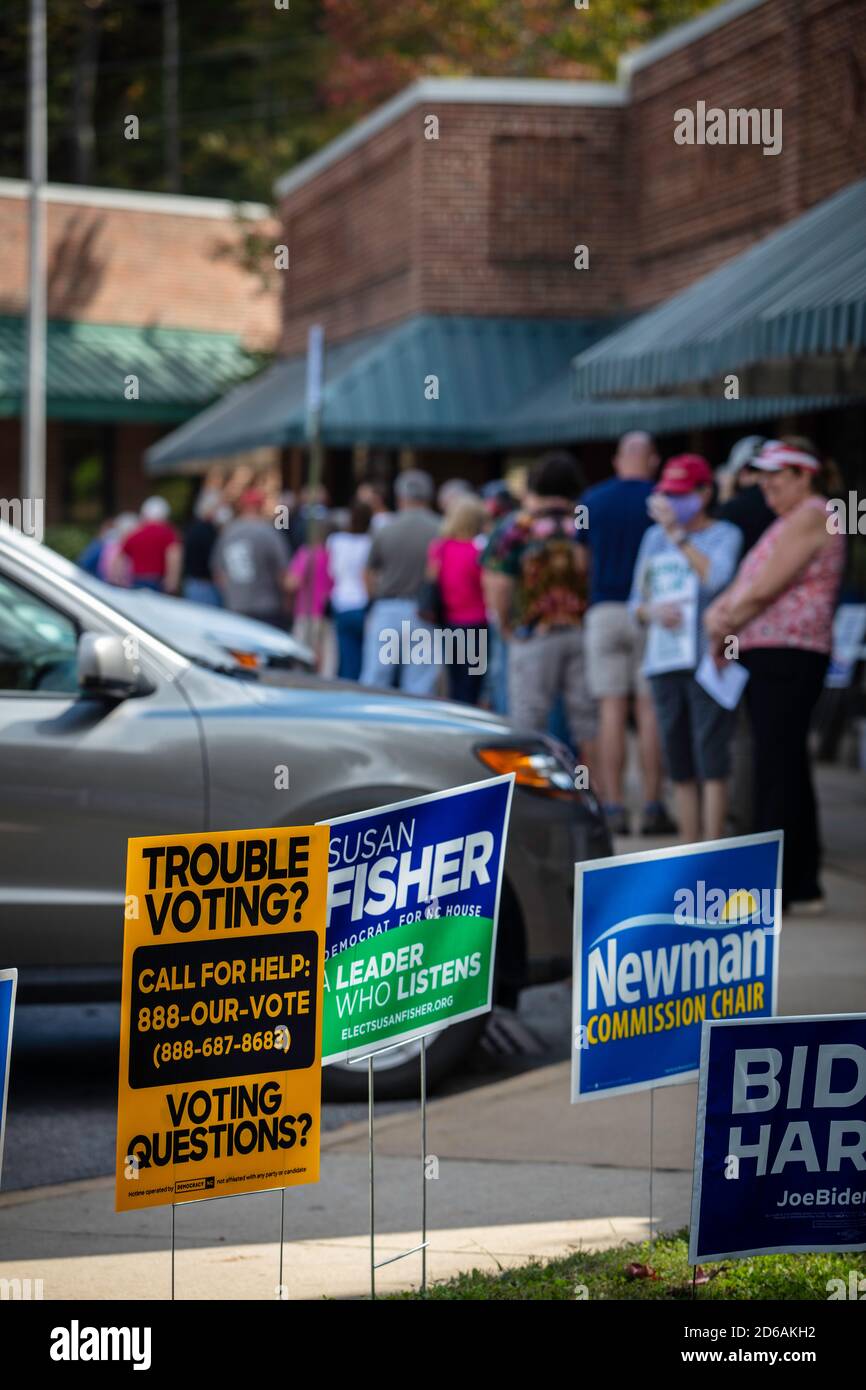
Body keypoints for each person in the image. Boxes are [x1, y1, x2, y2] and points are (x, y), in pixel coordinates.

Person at [704, 438, 846, 912]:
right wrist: (724, 615)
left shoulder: (811, 513)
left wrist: (723, 620)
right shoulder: (792, 518)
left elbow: (764, 589)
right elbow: (750, 583)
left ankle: (770, 889)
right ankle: (800, 884)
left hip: (789, 653)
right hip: (775, 654)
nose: (766, 486)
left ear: (804, 475)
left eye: (776, 477)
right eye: (762, 477)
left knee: (775, 770)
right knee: (784, 767)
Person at [630, 454, 742, 843]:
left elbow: (717, 578)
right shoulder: (651, 538)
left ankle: (713, 847)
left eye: (682, 494)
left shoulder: (724, 534)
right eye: (668, 495)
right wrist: (651, 611)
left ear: (705, 493)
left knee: (711, 758)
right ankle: (689, 848)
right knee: (678, 760)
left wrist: (679, 537)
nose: (673, 502)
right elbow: (636, 603)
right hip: (664, 661)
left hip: (706, 661)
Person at [578, 431, 674, 836]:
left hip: (604, 609)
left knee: (610, 710)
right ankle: (653, 805)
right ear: (651, 460)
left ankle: (614, 806)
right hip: (654, 612)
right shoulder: (664, 501)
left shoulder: (592, 500)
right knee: (650, 710)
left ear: (619, 459)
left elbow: (581, 563)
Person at [482, 452, 597, 772]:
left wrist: (505, 626)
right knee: (588, 722)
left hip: (534, 632)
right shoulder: (584, 520)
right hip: (584, 630)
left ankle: (529, 791)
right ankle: (599, 795)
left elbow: (499, 582)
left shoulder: (518, 525)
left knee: (528, 718)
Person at [360, 469, 440, 693]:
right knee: (420, 682)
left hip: (387, 607)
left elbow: (368, 571)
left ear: (399, 497)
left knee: (376, 678)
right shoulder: (440, 528)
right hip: (424, 611)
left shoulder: (386, 529)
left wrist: (372, 598)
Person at [426, 494, 487, 704]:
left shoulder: (440, 548)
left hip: (449, 622)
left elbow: (432, 581)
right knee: (473, 683)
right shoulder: (479, 551)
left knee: (454, 681)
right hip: (477, 623)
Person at [211, 486, 289, 627]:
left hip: (236, 605)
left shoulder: (228, 532)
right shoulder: (269, 532)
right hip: (266, 606)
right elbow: (283, 574)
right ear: (261, 506)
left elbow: (219, 574)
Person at [326, 499, 372, 680]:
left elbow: (332, 570)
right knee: (365, 658)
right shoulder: (369, 543)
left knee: (346, 658)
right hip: (362, 603)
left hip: (342, 602)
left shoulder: (336, 541)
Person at [714, 435, 775, 554]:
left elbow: (717, 532)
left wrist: (725, 494)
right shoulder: (786, 500)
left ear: (742, 472)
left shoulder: (733, 508)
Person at [119, 496, 182, 593]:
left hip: (137, 580)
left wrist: (119, 580)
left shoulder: (136, 533)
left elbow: (119, 557)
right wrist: (172, 582)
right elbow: (174, 556)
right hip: (157, 581)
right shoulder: (168, 533)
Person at [181, 490, 223, 607]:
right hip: (205, 585)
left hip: (192, 582)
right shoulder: (208, 530)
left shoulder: (192, 527)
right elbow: (213, 560)